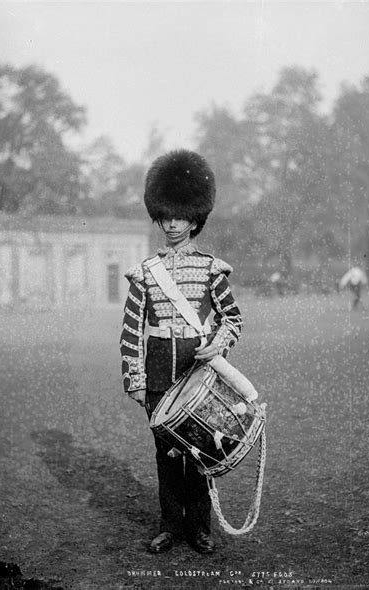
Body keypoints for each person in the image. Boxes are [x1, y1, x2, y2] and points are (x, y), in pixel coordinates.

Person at [119, 150, 243, 555]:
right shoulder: (144, 272)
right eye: (166, 216)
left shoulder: (211, 269)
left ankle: (200, 528)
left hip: (200, 375)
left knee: (201, 450)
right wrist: (136, 381)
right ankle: (170, 525)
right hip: (157, 374)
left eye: (180, 216)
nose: (172, 224)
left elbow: (233, 320)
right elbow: (131, 331)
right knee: (166, 453)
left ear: (195, 219)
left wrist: (218, 343)